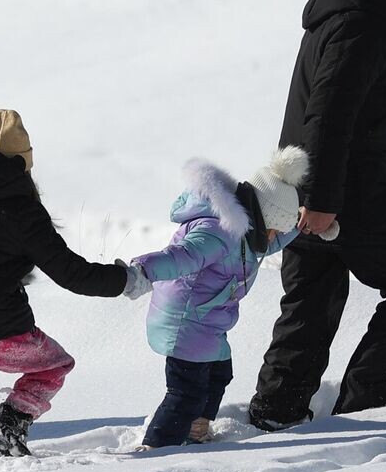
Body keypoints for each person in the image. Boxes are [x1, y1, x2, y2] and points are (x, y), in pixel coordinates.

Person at [249, 0, 386, 431]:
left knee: (310, 301)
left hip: (304, 187)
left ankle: (275, 413)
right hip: (346, 195)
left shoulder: (343, 12)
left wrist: (309, 195)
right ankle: (365, 413)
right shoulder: (365, 26)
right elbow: (329, 117)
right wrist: (321, 201)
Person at [0, 109, 148, 472]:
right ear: (24, 164)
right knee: (53, 365)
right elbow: (71, 274)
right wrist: (126, 280)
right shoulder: (22, 212)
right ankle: (6, 433)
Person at [128, 148, 314, 449]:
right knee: (186, 392)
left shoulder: (248, 234)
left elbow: (272, 241)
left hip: (207, 322)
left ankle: (195, 430)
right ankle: (158, 448)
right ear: (262, 218)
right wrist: (140, 273)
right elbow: (181, 256)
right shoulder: (218, 232)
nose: (273, 237)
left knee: (219, 375)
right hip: (185, 321)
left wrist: (302, 225)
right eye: (273, 230)